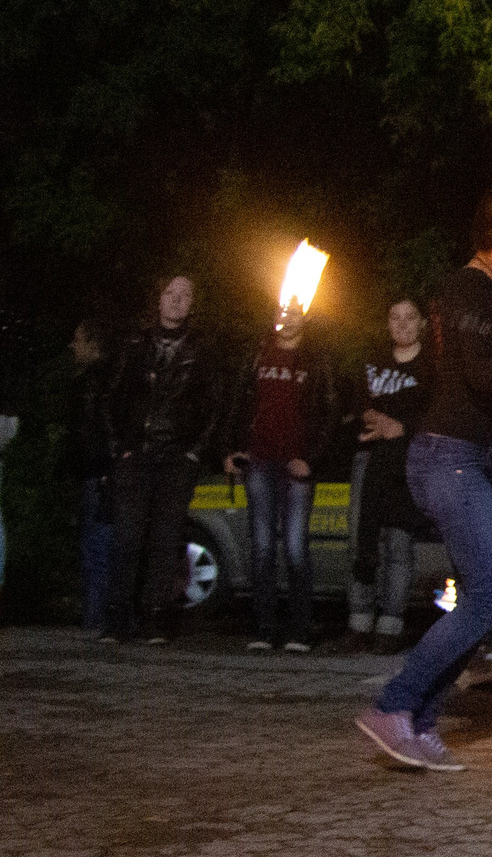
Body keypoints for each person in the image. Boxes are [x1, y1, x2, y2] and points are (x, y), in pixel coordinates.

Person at [355, 188, 492, 774]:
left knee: (486, 602)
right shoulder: (466, 289)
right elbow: (474, 372)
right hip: (450, 458)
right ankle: (394, 705)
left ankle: (418, 722)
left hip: (480, 460)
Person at [104, 274, 222, 643]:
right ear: (159, 299)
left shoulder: (202, 351)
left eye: (184, 294)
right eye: (170, 292)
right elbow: (110, 398)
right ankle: (118, 618)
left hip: (176, 459)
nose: (176, 300)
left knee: (166, 539)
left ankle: (157, 617)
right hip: (136, 455)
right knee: (127, 538)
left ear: (192, 303)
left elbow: (215, 407)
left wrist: (194, 453)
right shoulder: (135, 345)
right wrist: (119, 448)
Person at [222, 302, 339, 653]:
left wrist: (311, 459)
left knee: (294, 546)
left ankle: (300, 631)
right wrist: (231, 449)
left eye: (294, 313)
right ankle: (264, 629)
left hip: (296, 463)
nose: (287, 319)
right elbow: (236, 402)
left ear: (305, 317)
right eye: (281, 312)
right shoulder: (258, 353)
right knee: (261, 546)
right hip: (260, 460)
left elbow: (330, 410)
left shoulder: (315, 358)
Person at [345, 298, 430, 652]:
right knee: (360, 539)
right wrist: (370, 417)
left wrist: (400, 427)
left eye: (410, 318)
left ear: (422, 322)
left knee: (398, 544)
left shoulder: (432, 367)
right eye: (395, 318)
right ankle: (359, 622)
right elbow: (355, 403)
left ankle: (390, 626)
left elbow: (435, 416)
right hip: (370, 459)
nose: (402, 324)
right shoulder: (374, 360)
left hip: (408, 463)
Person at [70, 321, 118, 636]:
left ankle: (97, 618)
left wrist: (100, 470)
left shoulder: (95, 381)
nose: (73, 346)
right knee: (97, 545)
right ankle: (97, 616)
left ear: (93, 343)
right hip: (97, 472)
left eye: (78, 340)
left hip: (98, 474)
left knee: (97, 546)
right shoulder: (102, 379)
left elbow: (94, 432)